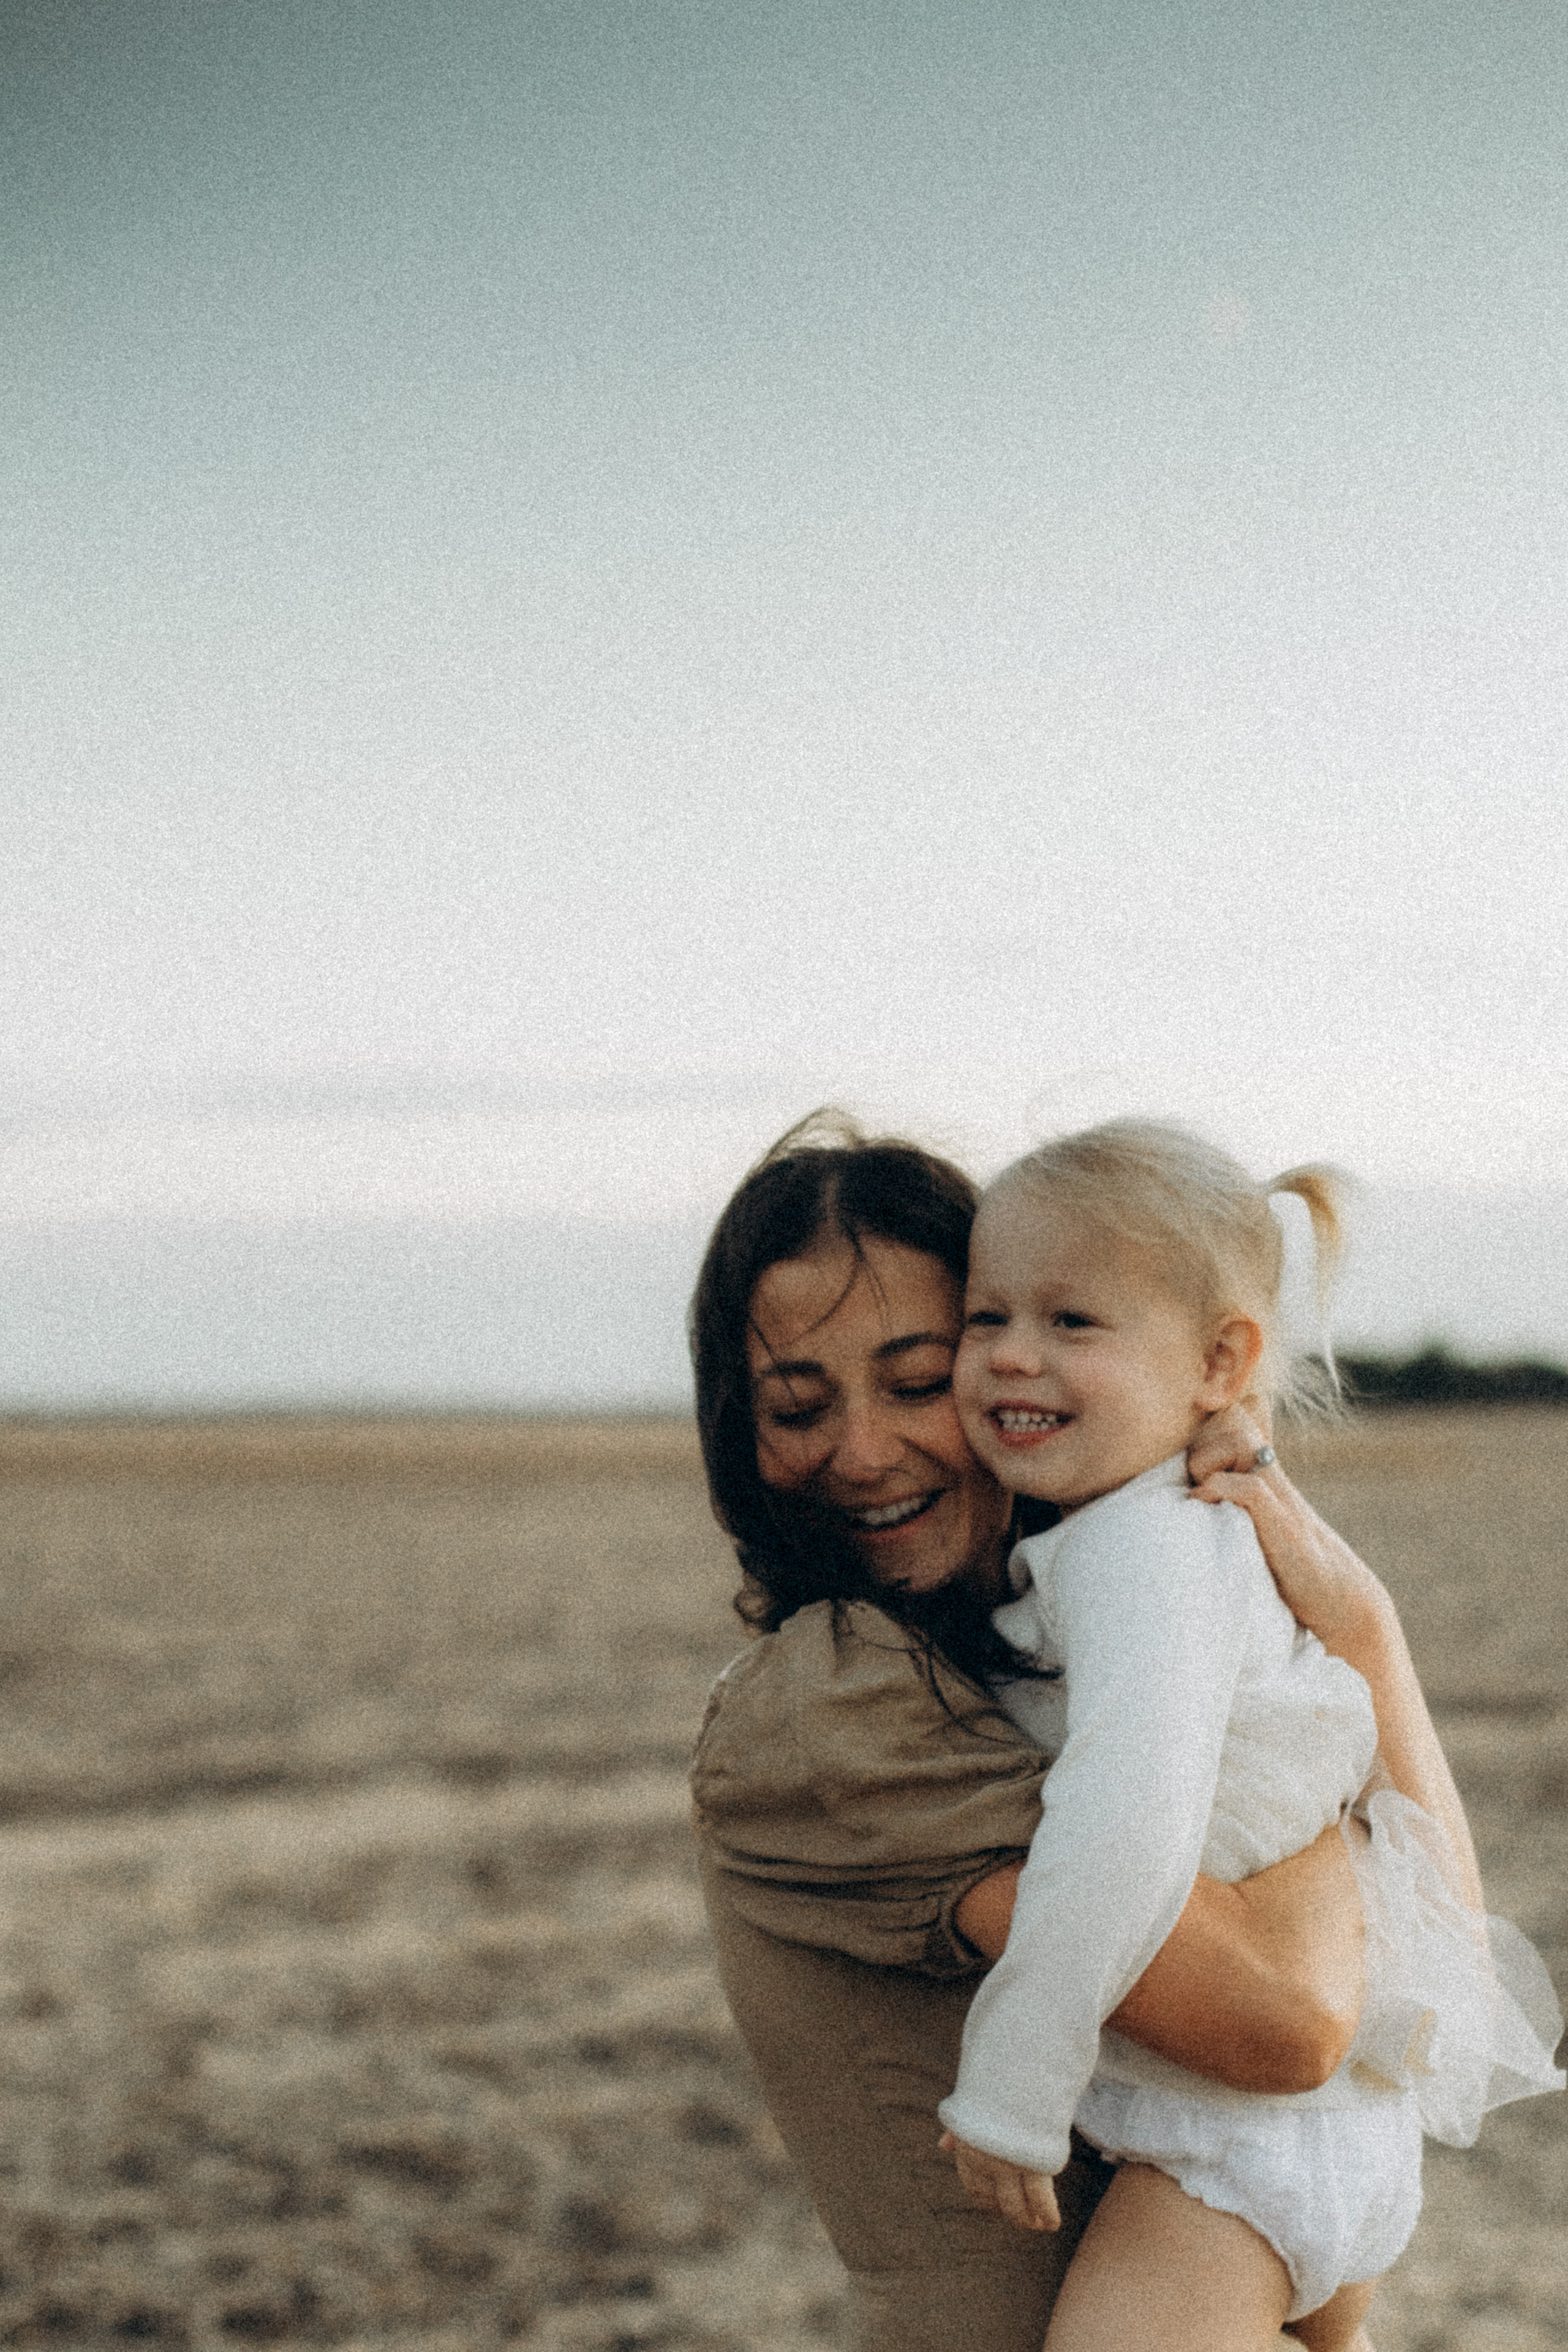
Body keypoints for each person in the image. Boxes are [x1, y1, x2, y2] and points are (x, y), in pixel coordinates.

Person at [687, 1114, 1510, 2352]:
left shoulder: (1054, 1631)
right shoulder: (832, 1707)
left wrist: (1360, 1627)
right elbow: (1285, 2023)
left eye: (918, 1381)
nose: (861, 1452)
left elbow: (1447, 1947)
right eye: (795, 1407)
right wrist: (1324, 1772)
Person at [935, 1118, 1563, 2352]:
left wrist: (1013, 2079)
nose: (1011, 1357)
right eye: (984, 1316)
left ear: (1221, 1362)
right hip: (1306, 2128)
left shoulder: (1140, 1548)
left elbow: (1126, 1822)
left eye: (1071, 1323)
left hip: (1235, 2144)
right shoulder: (1166, 1528)